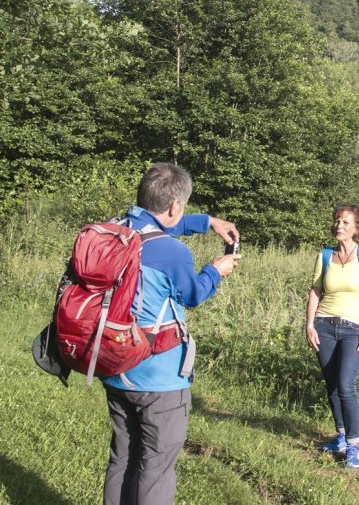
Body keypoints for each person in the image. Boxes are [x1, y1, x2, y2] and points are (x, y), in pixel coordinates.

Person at [103, 162, 240, 505]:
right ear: (175, 205)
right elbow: (193, 294)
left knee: (122, 457)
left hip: (114, 364)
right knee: (156, 466)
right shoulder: (172, 251)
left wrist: (207, 222)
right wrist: (215, 270)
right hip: (158, 376)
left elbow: (157, 226)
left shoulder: (115, 230)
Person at [304, 203, 359, 469]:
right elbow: (315, 292)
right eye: (337, 221)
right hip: (324, 326)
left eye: (345, 222)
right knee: (332, 385)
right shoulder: (325, 255)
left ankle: (354, 445)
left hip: (354, 329)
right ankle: (341, 437)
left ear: (357, 228)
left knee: (346, 386)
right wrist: (309, 325)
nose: (339, 225)